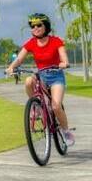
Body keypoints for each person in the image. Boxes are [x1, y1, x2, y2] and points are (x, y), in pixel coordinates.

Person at [6, 13, 75, 146]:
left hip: (56, 77)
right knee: (28, 81)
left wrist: (64, 63)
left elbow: (64, 57)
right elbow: (20, 58)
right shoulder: (31, 43)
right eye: (32, 26)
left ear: (46, 26)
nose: (35, 28)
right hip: (41, 76)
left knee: (55, 106)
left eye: (39, 25)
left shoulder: (56, 41)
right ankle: (36, 107)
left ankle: (65, 131)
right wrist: (11, 67)